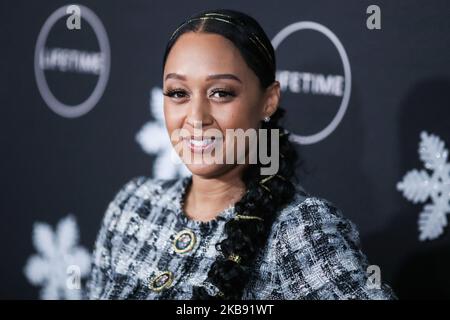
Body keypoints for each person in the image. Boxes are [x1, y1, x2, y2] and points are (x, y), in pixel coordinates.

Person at [86, 8, 397, 300]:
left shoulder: (297, 229)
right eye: (179, 93)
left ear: (269, 101)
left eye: (221, 93)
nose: (196, 118)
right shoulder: (133, 205)